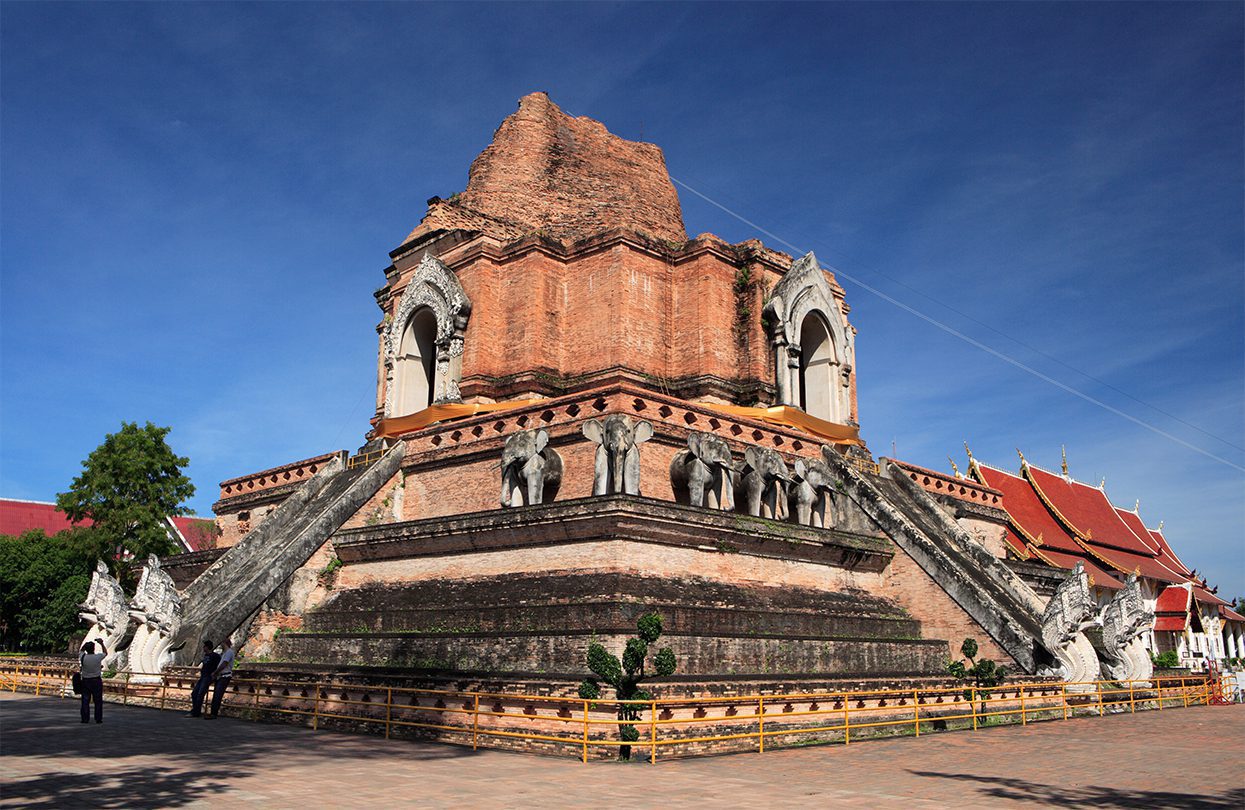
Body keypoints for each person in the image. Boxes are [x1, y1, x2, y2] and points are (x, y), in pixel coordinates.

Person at [185, 640, 221, 718]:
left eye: (204, 646)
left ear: (207, 647)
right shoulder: (205, 656)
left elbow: (219, 666)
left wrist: (214, 674)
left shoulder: (215, 656)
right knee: (194, 693)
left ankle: (195, 712)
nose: (203, 648)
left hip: (208, 677)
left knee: (200, 694)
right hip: (203, 676)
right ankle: (196, 710)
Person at [78, 639, 107, 724]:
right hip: (96, 680)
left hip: (86, 680)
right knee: (98, 701)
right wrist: (101, 643)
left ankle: (85, 718)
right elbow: (105, 653)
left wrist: (85, 645)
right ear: (94, 648)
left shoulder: (83, 656)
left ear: (86, 649)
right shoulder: (97, 657)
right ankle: (98, 718)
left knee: (85, 701)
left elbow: (81, 650)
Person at [205, 637, 235, 719]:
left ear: (224, 643)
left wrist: (215, 672)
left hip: (225, 676)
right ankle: (212, 713)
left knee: (218, 695)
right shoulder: (225, 653)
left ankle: (213, 714)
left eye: (222, 643)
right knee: (216, 694)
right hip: (221, 676)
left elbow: (224, 664)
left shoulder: (229, 652)